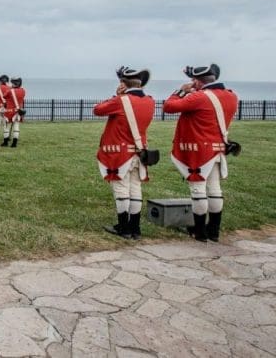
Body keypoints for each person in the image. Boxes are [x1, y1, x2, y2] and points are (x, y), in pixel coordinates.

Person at [163, 64, 239, 242]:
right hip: (217, 149)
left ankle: (199, 232)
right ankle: (213, 231)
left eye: (193, 81)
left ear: (197, 81)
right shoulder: (232, 96)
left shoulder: (199, 97)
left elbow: (169, 106)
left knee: (198, 189)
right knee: (215, 190)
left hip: (198, 151)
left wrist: (181, 91)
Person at [94, 66, 155, 240]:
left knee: (121, 188)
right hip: (139, 152)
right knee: (135, 189)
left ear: (123, 83)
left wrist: (117, 95)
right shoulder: (150, 100)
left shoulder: (121, 100)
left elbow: (98, 109)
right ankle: (135, 228)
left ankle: (123, 227)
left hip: (119, 153)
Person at [4, 76, 26, 147]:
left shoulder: (10, 90)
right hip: (18, 111)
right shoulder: (23, 90)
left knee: (6, 127)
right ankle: (14, 143)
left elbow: (4, 96)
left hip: (9, 111)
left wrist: (10, 88)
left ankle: (5, 142)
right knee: (16, 127)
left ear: (14, 83)